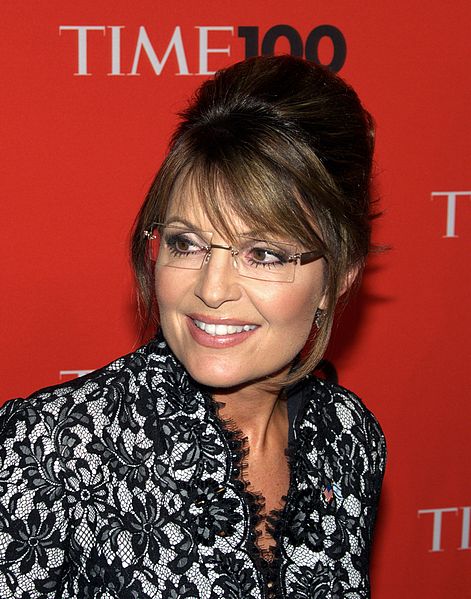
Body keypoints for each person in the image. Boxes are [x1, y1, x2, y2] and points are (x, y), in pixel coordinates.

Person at [0, 55, 386, 598]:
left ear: (337, 277)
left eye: (264, 253)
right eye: (187, 243)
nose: (212, 288)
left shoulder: (349, 439)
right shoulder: (47, 451)